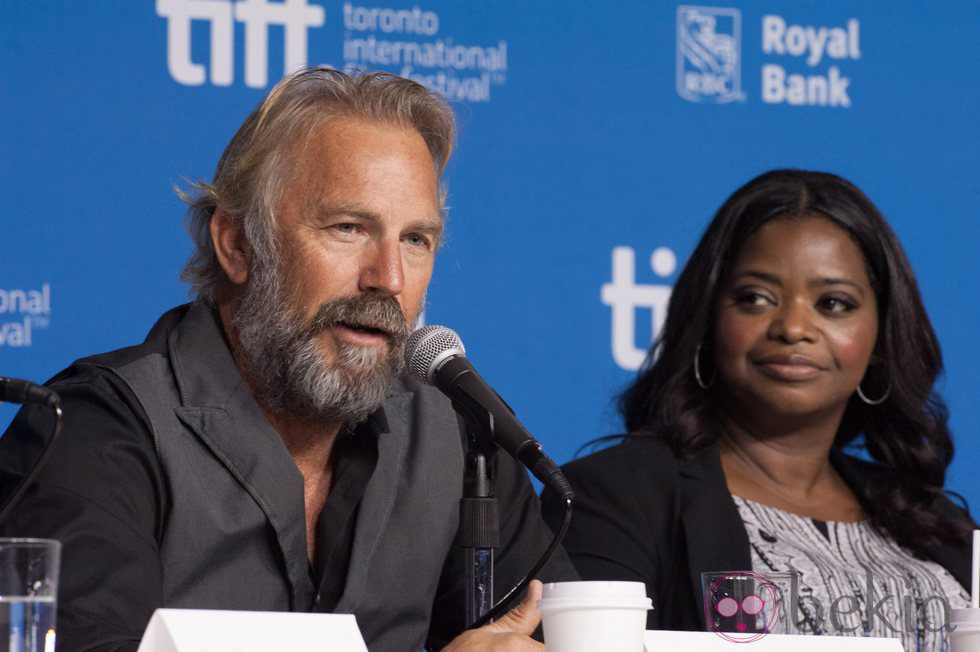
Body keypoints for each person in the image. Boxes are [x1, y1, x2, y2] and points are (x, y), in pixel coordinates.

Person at [0, 67, 573, 652]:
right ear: (238, 245)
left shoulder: (453, 436)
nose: (390, 279)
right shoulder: (95, 434)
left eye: (415, 240)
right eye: (348, 227)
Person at [542, 170, 975, 650]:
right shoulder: (616, 497)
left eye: (833, 303)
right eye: (754, 298)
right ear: (707, 318)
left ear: (880, 336)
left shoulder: (935, 520)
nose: (793, 327)